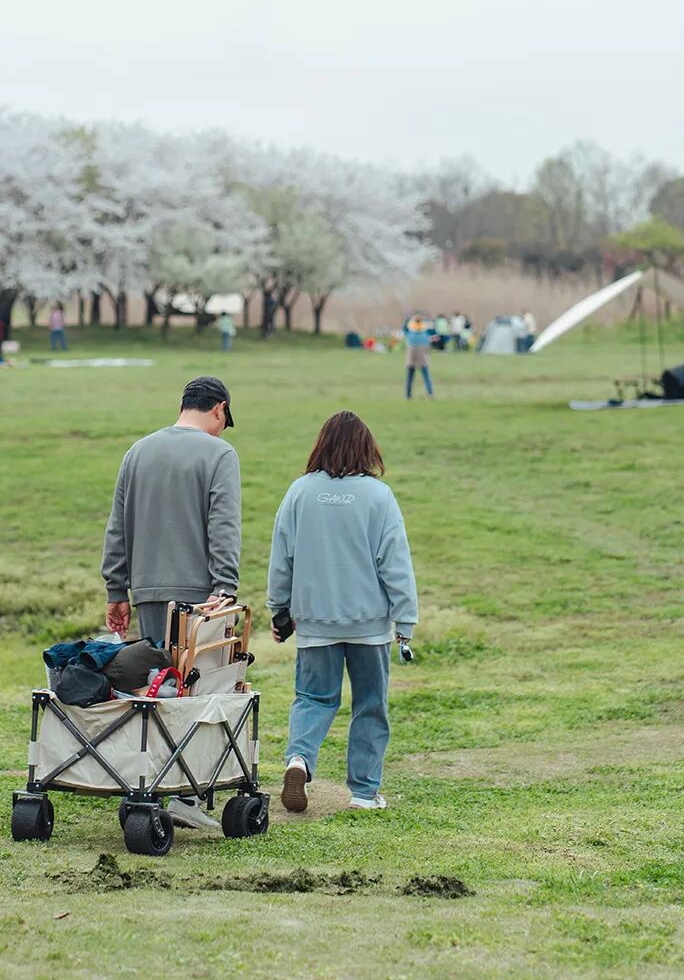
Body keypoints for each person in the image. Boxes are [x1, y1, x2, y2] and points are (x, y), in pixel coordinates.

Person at [101, 376, 240, 830]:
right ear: (218, 410)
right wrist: (226, 586)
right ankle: (183, 792)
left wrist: (116, 590)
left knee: (157, 689)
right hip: (202, 596)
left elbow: (117, 525)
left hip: (147, 593)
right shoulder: (220, 454)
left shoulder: (137, 451)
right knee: (198, 692)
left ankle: (150, 783)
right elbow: (223, 525)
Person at [268, 411, 418, 813]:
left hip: (315, 620)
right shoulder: (379, 496)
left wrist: (278, 608)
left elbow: (282, 557)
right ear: (366, 449)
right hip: (370, 625)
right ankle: (364, 794)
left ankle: (299, 760)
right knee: (370, 704)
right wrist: (405, 620)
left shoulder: (299, 492)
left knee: (313, 698)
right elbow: (396, 563)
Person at [403, 315, 434, 400]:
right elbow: (428, 346)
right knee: (426, 377)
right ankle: (430, 393)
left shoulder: (410, 334)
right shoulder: (425, 335)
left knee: (409, 378)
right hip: (422, 359)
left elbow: (404, 328)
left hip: (411, 358)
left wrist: (408, 319)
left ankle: (408, 395)